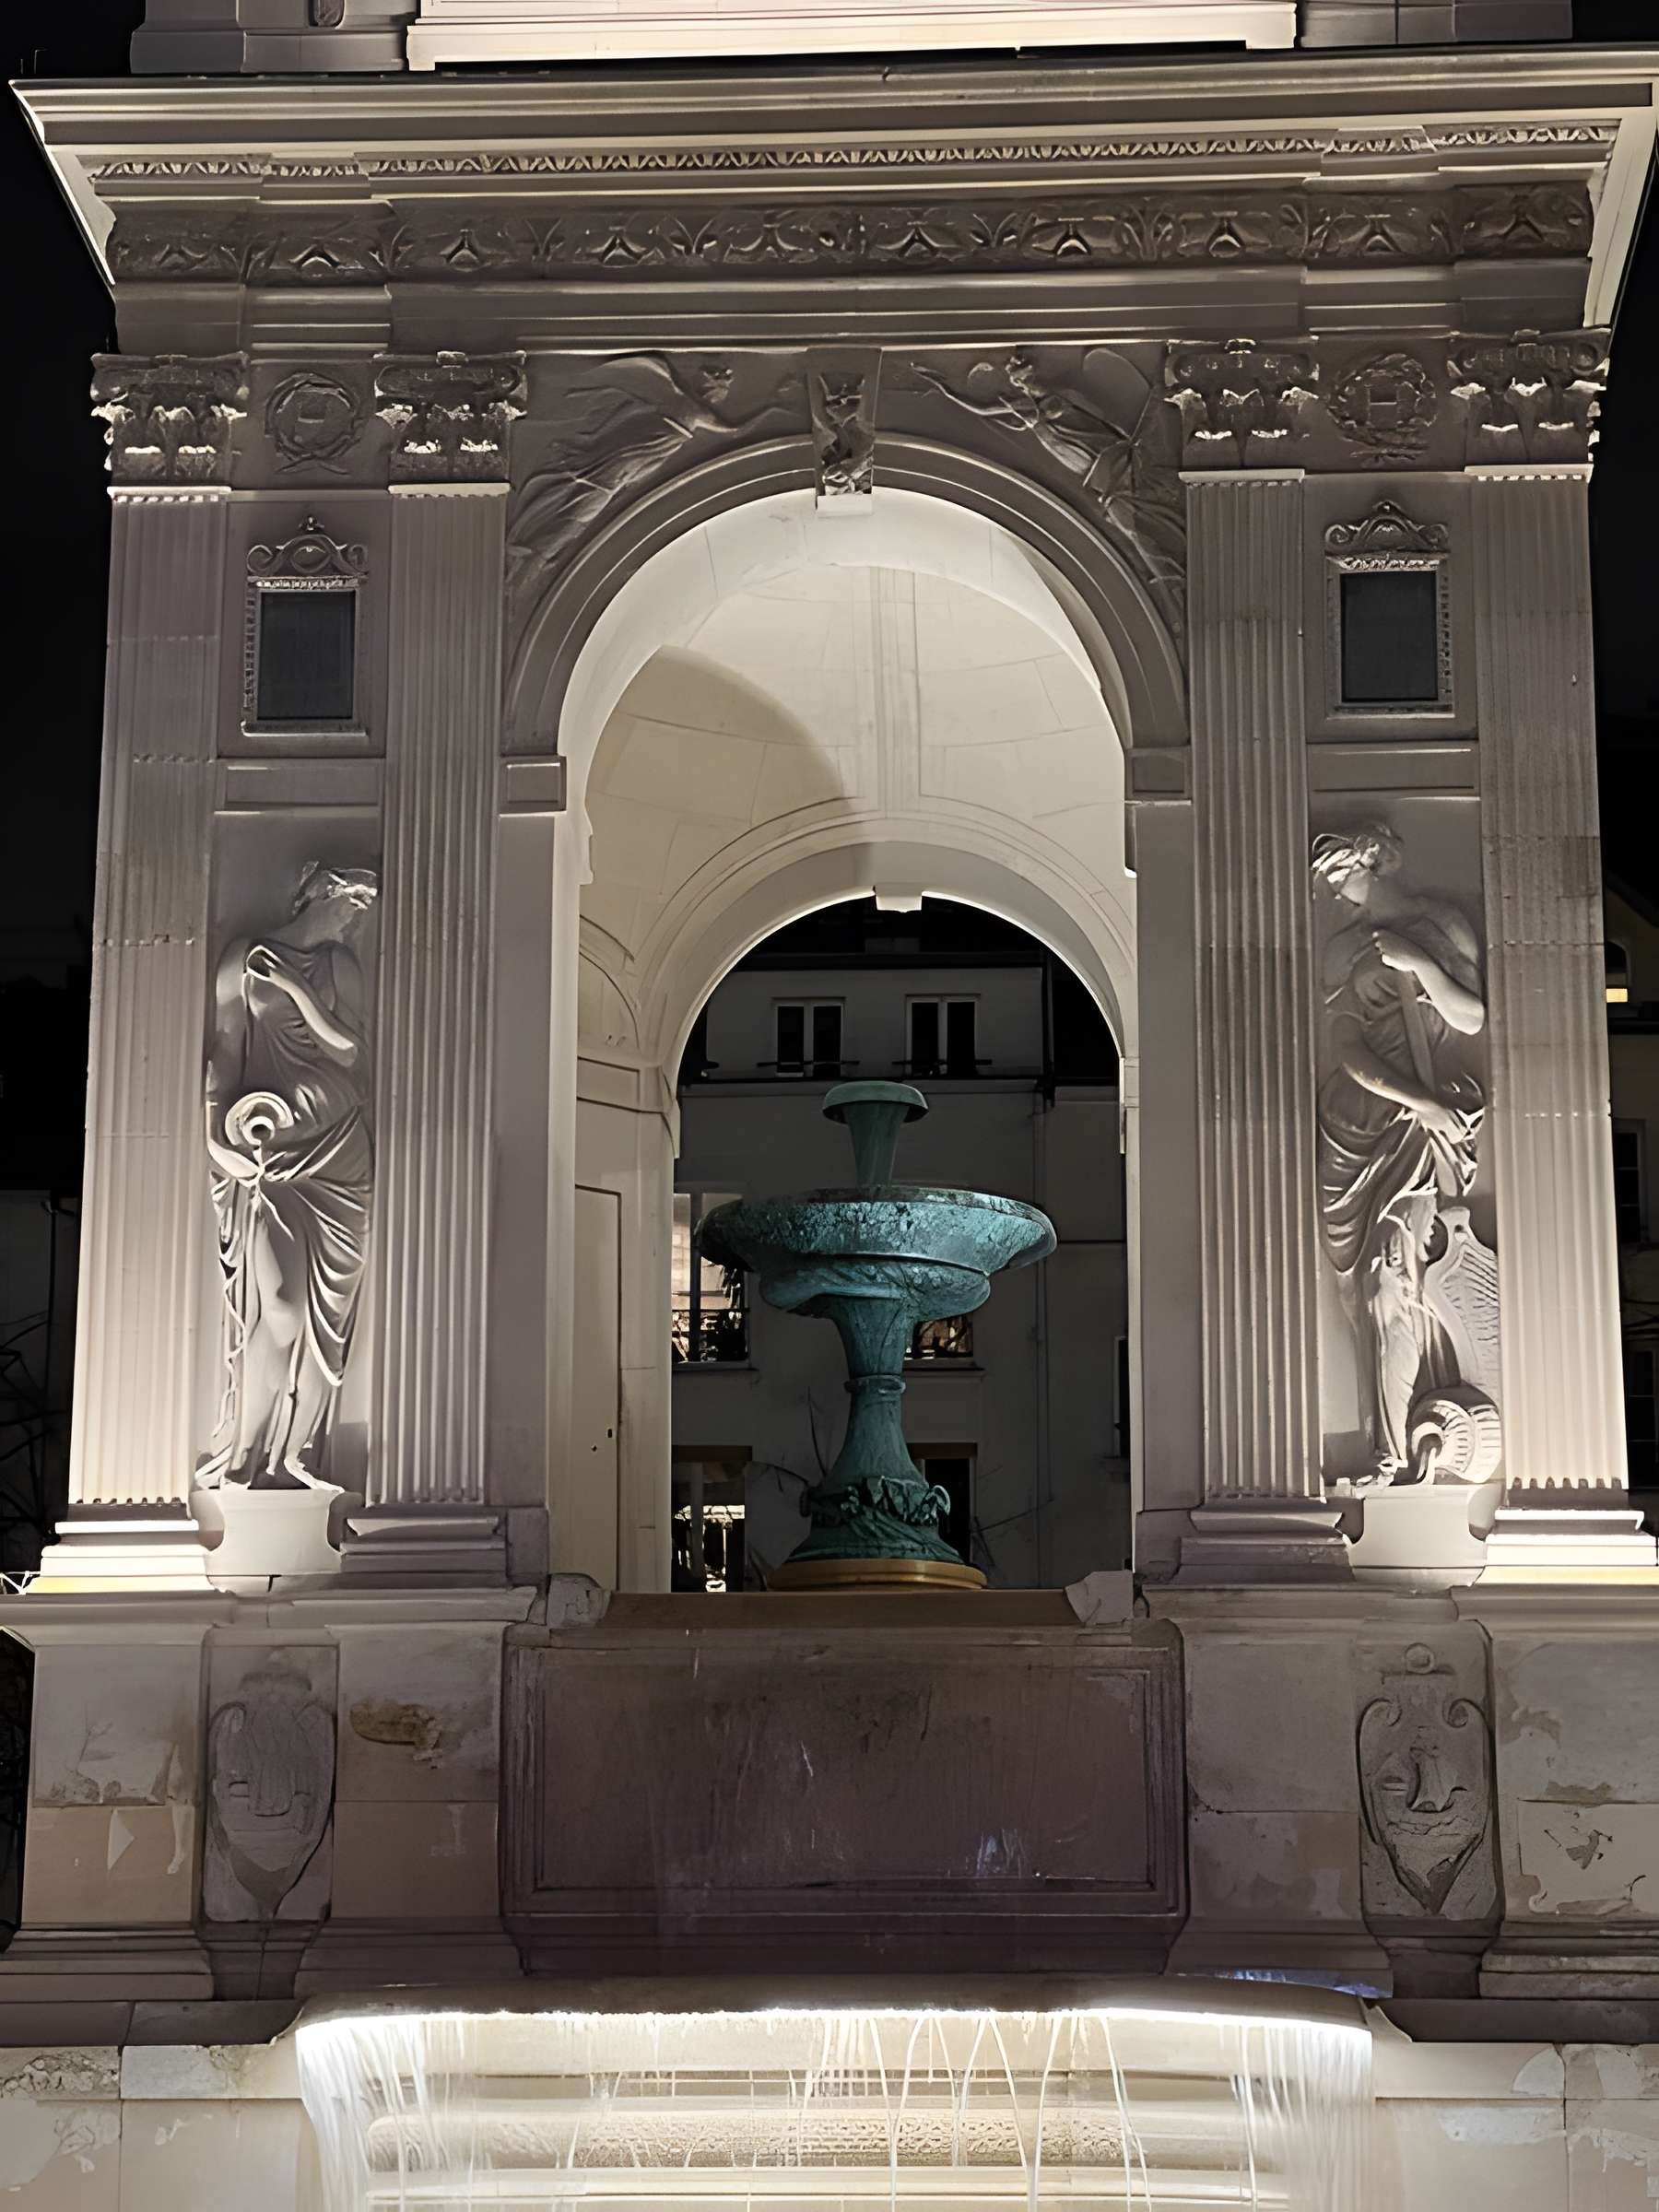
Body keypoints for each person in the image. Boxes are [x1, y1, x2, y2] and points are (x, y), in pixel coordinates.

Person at [1312, 827, 1486, 1479]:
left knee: (1391, 1284)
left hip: (1413, 1135)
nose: (1335, 891)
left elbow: (1470, 1017)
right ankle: (1384, 1440)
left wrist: (1421, 964)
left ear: (1374, 860)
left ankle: (1391, 1453)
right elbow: (1347, 1047)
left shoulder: (1441, 924)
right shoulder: (1343, 949)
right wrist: (1419, 1100)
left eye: (1339, 874)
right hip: (1353, 1123)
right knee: (1358, 1289)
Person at [201, 864, 377, 1489]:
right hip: (275, 1152)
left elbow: (351, 1052)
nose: (356, 918)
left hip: (341, 1155)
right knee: (279, 1307)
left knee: (328, 1317)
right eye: (353, 904)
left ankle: (294, 1458)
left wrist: (297, 990)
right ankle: (244, 1454)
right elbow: (226, 1049)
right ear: (322, 894)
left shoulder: (337, 966)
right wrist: (214, 1131)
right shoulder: (242, 959)